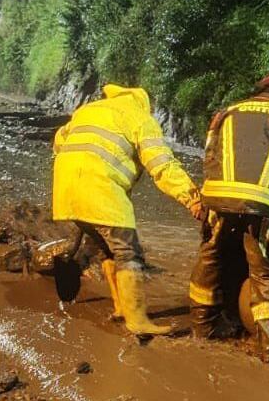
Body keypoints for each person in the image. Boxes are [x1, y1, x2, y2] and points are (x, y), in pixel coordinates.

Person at [52, 84, 203, 335]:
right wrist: (191, 198)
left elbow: (59, 141)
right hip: (100, 187)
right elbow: (162, 165)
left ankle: (121, 307)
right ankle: (138, 320)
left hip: (66, 187)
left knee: (106, 249)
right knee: (128, 252)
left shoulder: (88, 109)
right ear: (144, 103)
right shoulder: (140, 118)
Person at [188, 75, 269, 362]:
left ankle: (203, 329)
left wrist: (208, 200)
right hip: (262, 206)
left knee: (210, 261)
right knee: (266, 275)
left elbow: (209, 154)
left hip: (217, 198)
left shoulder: (227, 112)